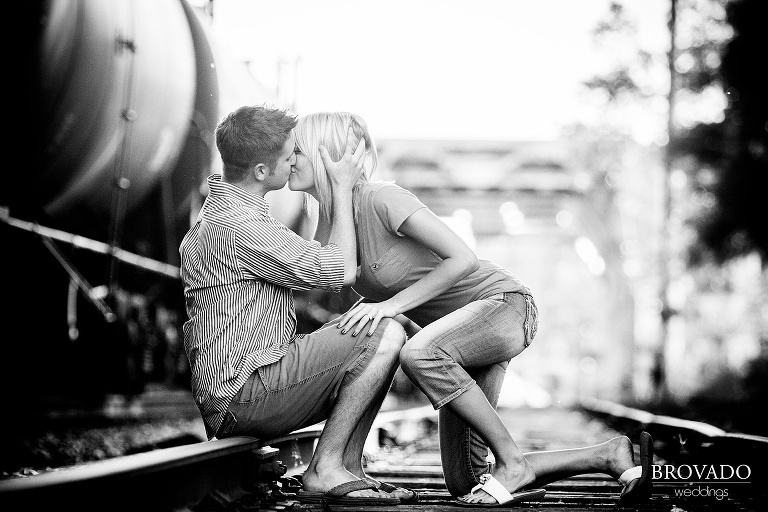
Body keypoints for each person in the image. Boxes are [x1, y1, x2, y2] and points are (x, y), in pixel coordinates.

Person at [289, 111, 655, 507]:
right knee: (466, 481)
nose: (289, 160)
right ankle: (607, 454)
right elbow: (335, 279)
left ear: (327, 155)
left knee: (420, 352)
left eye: (297, 151)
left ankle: (513, 463)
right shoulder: (331, 220)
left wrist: (391, 306)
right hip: (456, 341)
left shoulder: (383, 199)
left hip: (503, 307)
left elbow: (462, 258)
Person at [178, 105, 413, 506]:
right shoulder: (240, 226)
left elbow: (321, 259)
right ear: (260, 172)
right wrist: (339, 190)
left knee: (370, 328)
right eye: (290, 157)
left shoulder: (225, 217)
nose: (295, 162)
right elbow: (339, 271)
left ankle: (348, 469)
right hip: (245, 394)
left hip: (239, 389)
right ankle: (325, 470)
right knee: (385, 330)